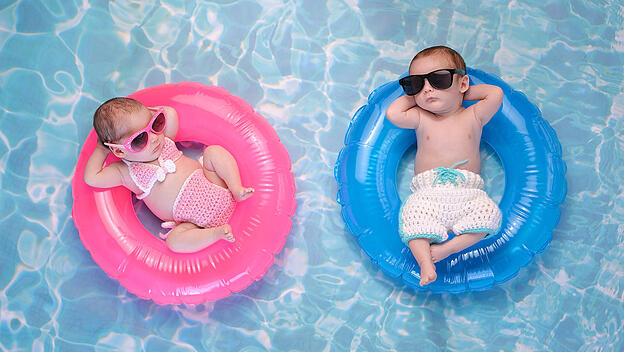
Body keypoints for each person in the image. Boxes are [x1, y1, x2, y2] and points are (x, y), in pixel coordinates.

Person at [385, 46, 503, 286]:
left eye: (439, 79)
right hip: (428, 191)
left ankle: (446, 250)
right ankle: (425, 263)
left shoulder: (474, 115)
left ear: (462, 83)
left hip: (467, 191)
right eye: (416, 83)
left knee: (489, 216)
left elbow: (496, 93)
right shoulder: (421, 117)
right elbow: (392, 113)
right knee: (412, 219)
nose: (428, 88)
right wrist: (419, 96)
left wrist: (462, 92)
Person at [84, 97, 254, 253]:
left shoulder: (165, 142)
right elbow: (92, 177)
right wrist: (101, 149)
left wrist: (149, 115)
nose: (153, 139)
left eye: (154, 125)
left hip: (216, 184)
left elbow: (170, 113)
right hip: (195, 224)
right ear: (119, 151)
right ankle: (214, 234)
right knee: (174, 241)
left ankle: (236, 188)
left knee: (214, 152)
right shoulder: (125, 173)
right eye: (139, 139)